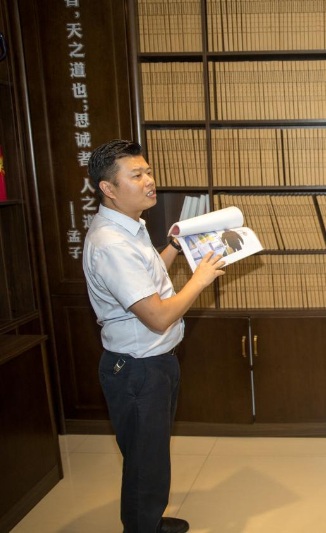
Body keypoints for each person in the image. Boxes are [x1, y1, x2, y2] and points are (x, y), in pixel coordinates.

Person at [82, 140, 226, 533]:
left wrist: (174, 247)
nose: (149, 181)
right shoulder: (111, 244)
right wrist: (200, 280)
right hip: (138, 369)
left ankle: (148, 521)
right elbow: (158, 317)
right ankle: (141, 527)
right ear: (108, 188)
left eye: (148, 171)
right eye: (137, 175)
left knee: (151, 456)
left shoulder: (129, 226)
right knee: (145, 463)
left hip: (152, 363)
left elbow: (146, 279)